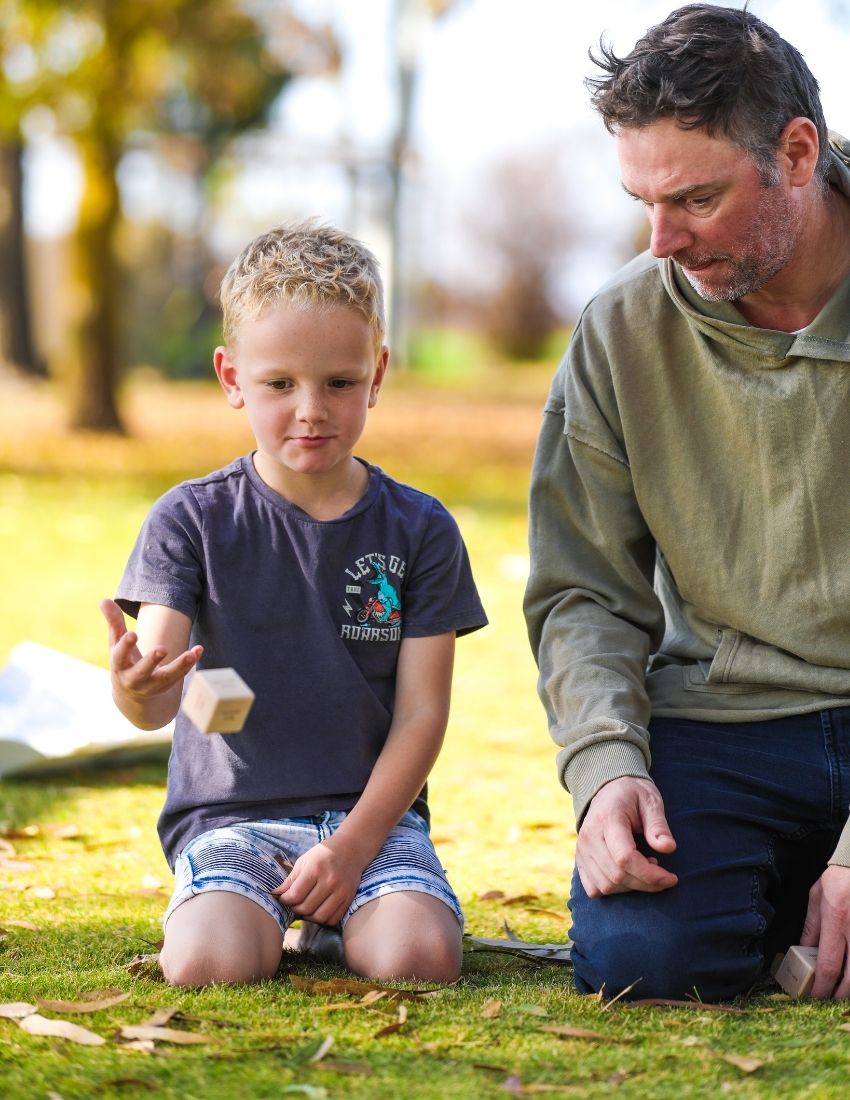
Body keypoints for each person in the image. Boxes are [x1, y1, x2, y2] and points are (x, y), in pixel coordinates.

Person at [524, 3, 850, 1002]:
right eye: (641, 200)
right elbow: (584, 589)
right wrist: (605, 763)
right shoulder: (620, 326)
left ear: (796, 153)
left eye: (695, 200)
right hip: (724, 715)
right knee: (639, 965)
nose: (658, 240)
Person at [101, 220, 487, 987]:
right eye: (280, 384)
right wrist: (134, 688)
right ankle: (271, 918)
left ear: (376, 374)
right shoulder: (189, 522)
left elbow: (421, 715)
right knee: (210, 966)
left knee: (420, 960)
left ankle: (337, 924)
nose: (311, 410)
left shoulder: (421, 530)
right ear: (231, 376)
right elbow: (158, 700)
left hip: (372, 824)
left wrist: (350, 851)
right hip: (230, 822)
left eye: (338, 383)